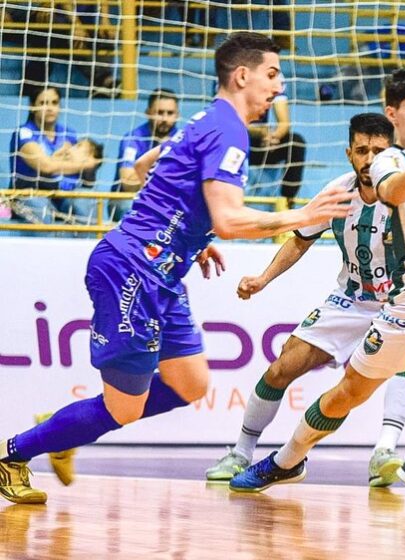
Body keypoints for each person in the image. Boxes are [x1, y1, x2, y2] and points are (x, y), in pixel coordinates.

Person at [0, 32, 356, 505]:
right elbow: (229, 220)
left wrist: (193, 234)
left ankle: (64, 428)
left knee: (191, 383)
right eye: (272, 74)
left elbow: (147, 167)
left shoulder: (205, 118)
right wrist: (303, 215)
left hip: (162, 273)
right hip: (131, 270)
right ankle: (15, 454)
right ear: (242, 75)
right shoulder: (228, 130)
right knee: (123, 409)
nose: (280, 86)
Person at [229, 0, 405, 503]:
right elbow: (396, 192)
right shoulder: (386, 160)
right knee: (347, 395)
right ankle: (285, 460)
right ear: (393, 114)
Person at [206, 113, 405, 488]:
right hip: (350, 300)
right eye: (361, 150)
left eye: (378, 151)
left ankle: (384, 453)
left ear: (395, 156)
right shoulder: (337, 193)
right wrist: (263, 279)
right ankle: (241, 451)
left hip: (398, 302)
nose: (370, 159)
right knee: (280, 369)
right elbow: (300, 240)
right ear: (348, 153)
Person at [9, 86, 100, 225]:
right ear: (32, 106)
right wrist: (84, 165)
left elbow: (74, 167)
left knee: (85, 203)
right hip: (29, 194)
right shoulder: (24, 133)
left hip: (62, 194)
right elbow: (45, 166)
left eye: (54, 102)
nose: (50, 108)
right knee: (42, 210)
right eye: (43, 103)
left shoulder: (68, 133)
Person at [111, 89, 180, 221]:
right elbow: (127, 183)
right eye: (159, 113)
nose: (165, 119)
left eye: (170, 113)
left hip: (168, 201)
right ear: (148, 113)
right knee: (131, 207)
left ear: (177, 115)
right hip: (128, 199)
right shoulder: (132, 139)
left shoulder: (182, 140)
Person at [247, 89, 306, 205]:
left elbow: (284, 123)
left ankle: (286, 202)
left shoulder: (276, 77)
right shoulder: (231, 74)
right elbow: (229, 121)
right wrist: (260, 131)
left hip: (261, 142)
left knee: (295, 143)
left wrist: (274, 136)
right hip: (236, 139)